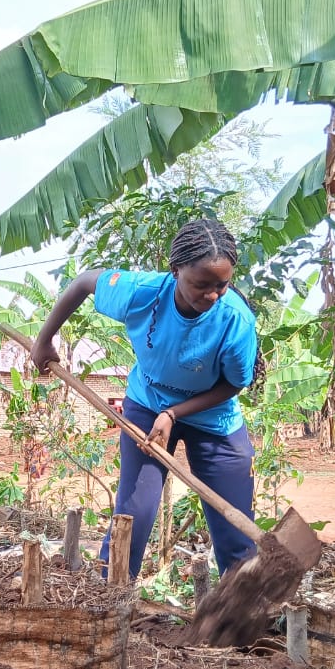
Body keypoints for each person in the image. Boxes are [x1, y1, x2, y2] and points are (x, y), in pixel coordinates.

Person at [30, 218, 264, 582]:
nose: (212, 296)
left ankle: (243, 608)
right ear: (175, 271)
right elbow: (83, 283)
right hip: (147, 405)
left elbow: (233, 385)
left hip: (215, 418)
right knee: (133, 515)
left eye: (221, 285)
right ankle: (110, 596)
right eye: (201, 285)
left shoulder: (235, 320)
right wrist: (44, 340)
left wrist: (174, 413)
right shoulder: (141, 292)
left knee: (236, 534)